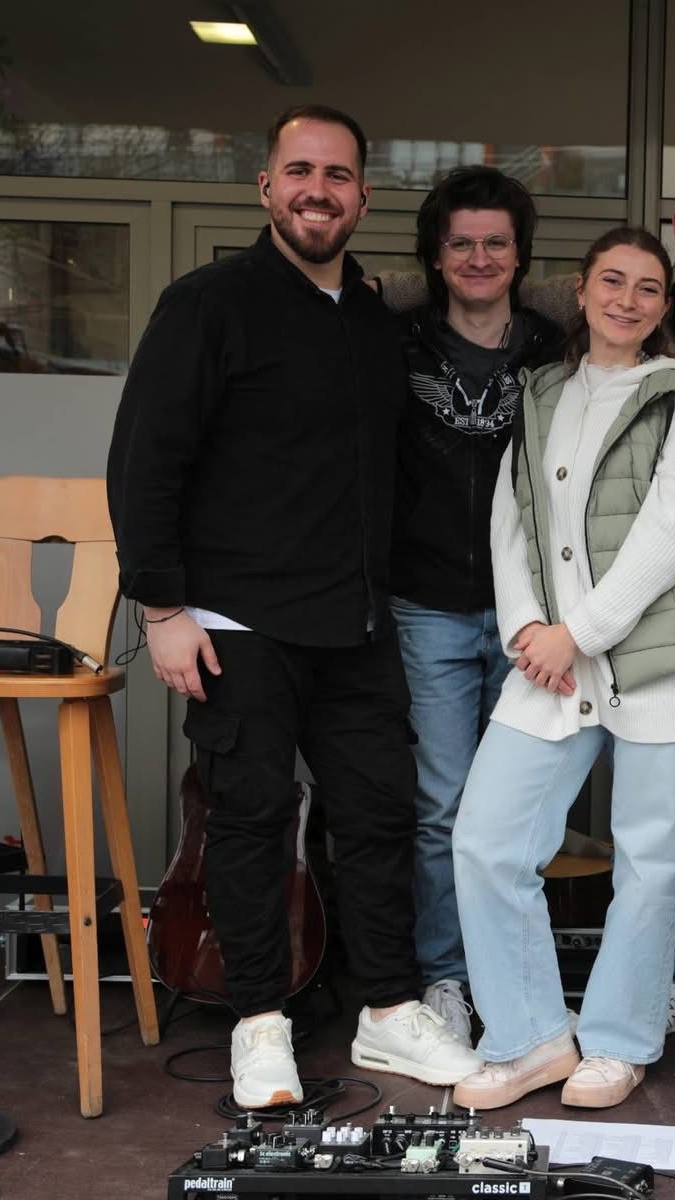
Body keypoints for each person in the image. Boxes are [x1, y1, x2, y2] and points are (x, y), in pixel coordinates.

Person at [376, 152, 675, 1045]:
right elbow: (478, 270)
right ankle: (647, 991)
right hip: (585, 628)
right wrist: (359, 282)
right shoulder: (579, 332)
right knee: (542, 827)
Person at [106, 103, 480, 1111]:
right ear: (266, 187)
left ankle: (390, 1010)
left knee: (375, 815)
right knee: (252, 817)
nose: (319, 189)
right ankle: (260, 1023)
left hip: (355, 623)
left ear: (363, 196)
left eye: (339, 175)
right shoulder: (207, 305)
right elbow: (145, 461)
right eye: (300, 170)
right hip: (235, 621)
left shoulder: (369, 318)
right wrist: (161, 609)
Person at [449, 227, 675, 1112]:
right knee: (487, 841)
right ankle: (532, 1037)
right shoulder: (540, 391)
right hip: (550, 659)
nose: (628, 300)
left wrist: (581, 632)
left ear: (663, 307)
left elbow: (669, 536)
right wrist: (530, 627)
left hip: (651, 661)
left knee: (647, 859)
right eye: (613, 281)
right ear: (581, 289)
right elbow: (511, 518)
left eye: (649, 289)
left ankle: (618, 1041)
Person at [390, 167, 564, 1046]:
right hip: (426, 606)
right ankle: (447, 977)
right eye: (460, 242)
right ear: (435, 255)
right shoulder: (396, 342)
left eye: (496, 242)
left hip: (530, 614)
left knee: (521, 810)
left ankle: (513, 978)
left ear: (521, 255)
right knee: (443, 807)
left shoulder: (555, 351)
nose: (479, 257)